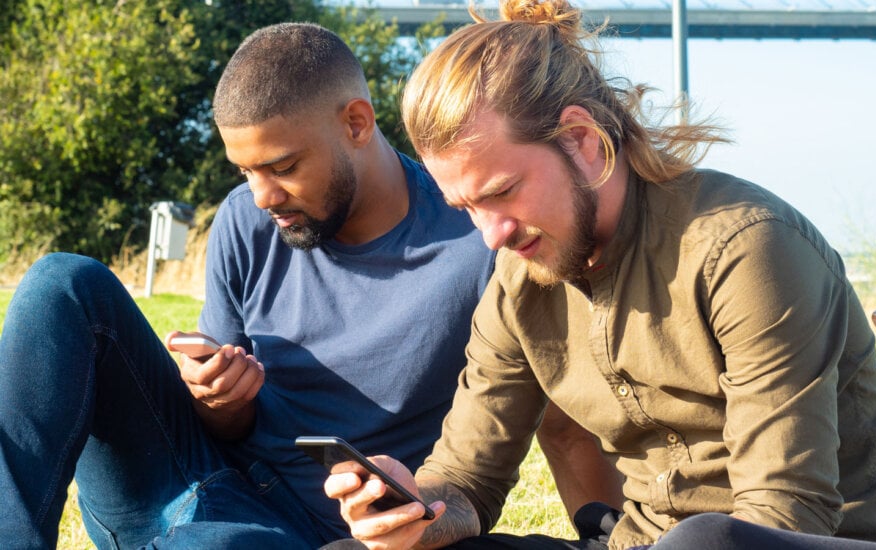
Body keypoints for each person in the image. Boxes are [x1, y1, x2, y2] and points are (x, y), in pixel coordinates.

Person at [324, 1, 876, 549]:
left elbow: (785, 514)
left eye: (501, 193)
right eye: (466, 208)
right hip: (641, 540)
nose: (491, 234)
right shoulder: (518, 276)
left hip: (796, 540)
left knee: (709, 539)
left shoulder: (744, 248)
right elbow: (466, 481)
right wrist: (410, 513)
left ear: (583, 142)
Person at [0, 22, 502, 548]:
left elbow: (524, 443)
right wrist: (219, 400)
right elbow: (224, 429)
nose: (262, 197)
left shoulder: (474, 245)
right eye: (246, 172)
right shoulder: (245, 220)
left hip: (303, 533)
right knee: (61, 282)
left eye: (282, 167)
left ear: (356, 123)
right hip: (187, 479)